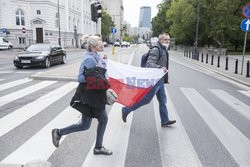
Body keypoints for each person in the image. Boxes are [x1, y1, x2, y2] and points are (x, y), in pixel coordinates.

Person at [52, 35, 112, 155]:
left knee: (85, 125)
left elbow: (98, 72)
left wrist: (102, 63)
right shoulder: (89, 59)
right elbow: (80, 78)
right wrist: (97, 72)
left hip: (93, 95)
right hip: (91, 97)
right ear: (94, 46)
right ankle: (98, 147)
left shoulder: (96, 57)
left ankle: (58, 132)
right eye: (101, 44)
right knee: (104, 119)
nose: (103, 45)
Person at [122, 32, 176, 127]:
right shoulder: (156, 49)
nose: (167, 41)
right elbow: (149, 64)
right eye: (165, 40)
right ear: (160, 40)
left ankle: (164, 120)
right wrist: (160, 68)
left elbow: (164, 65)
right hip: (154, 80)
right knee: (146, 99)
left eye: (168, 40)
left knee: (163, 100)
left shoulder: (163, 49)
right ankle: (126, 109)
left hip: (160, 80)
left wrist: (165, 78)